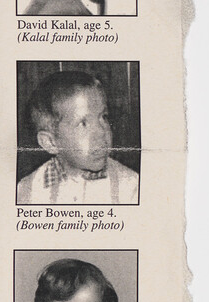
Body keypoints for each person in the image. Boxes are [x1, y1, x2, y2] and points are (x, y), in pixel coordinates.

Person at [16, 69, 139, 204]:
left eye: (103, 117)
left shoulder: (130, 185)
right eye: (83, 123)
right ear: (50, 142)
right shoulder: (28, 191)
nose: (101, 132)